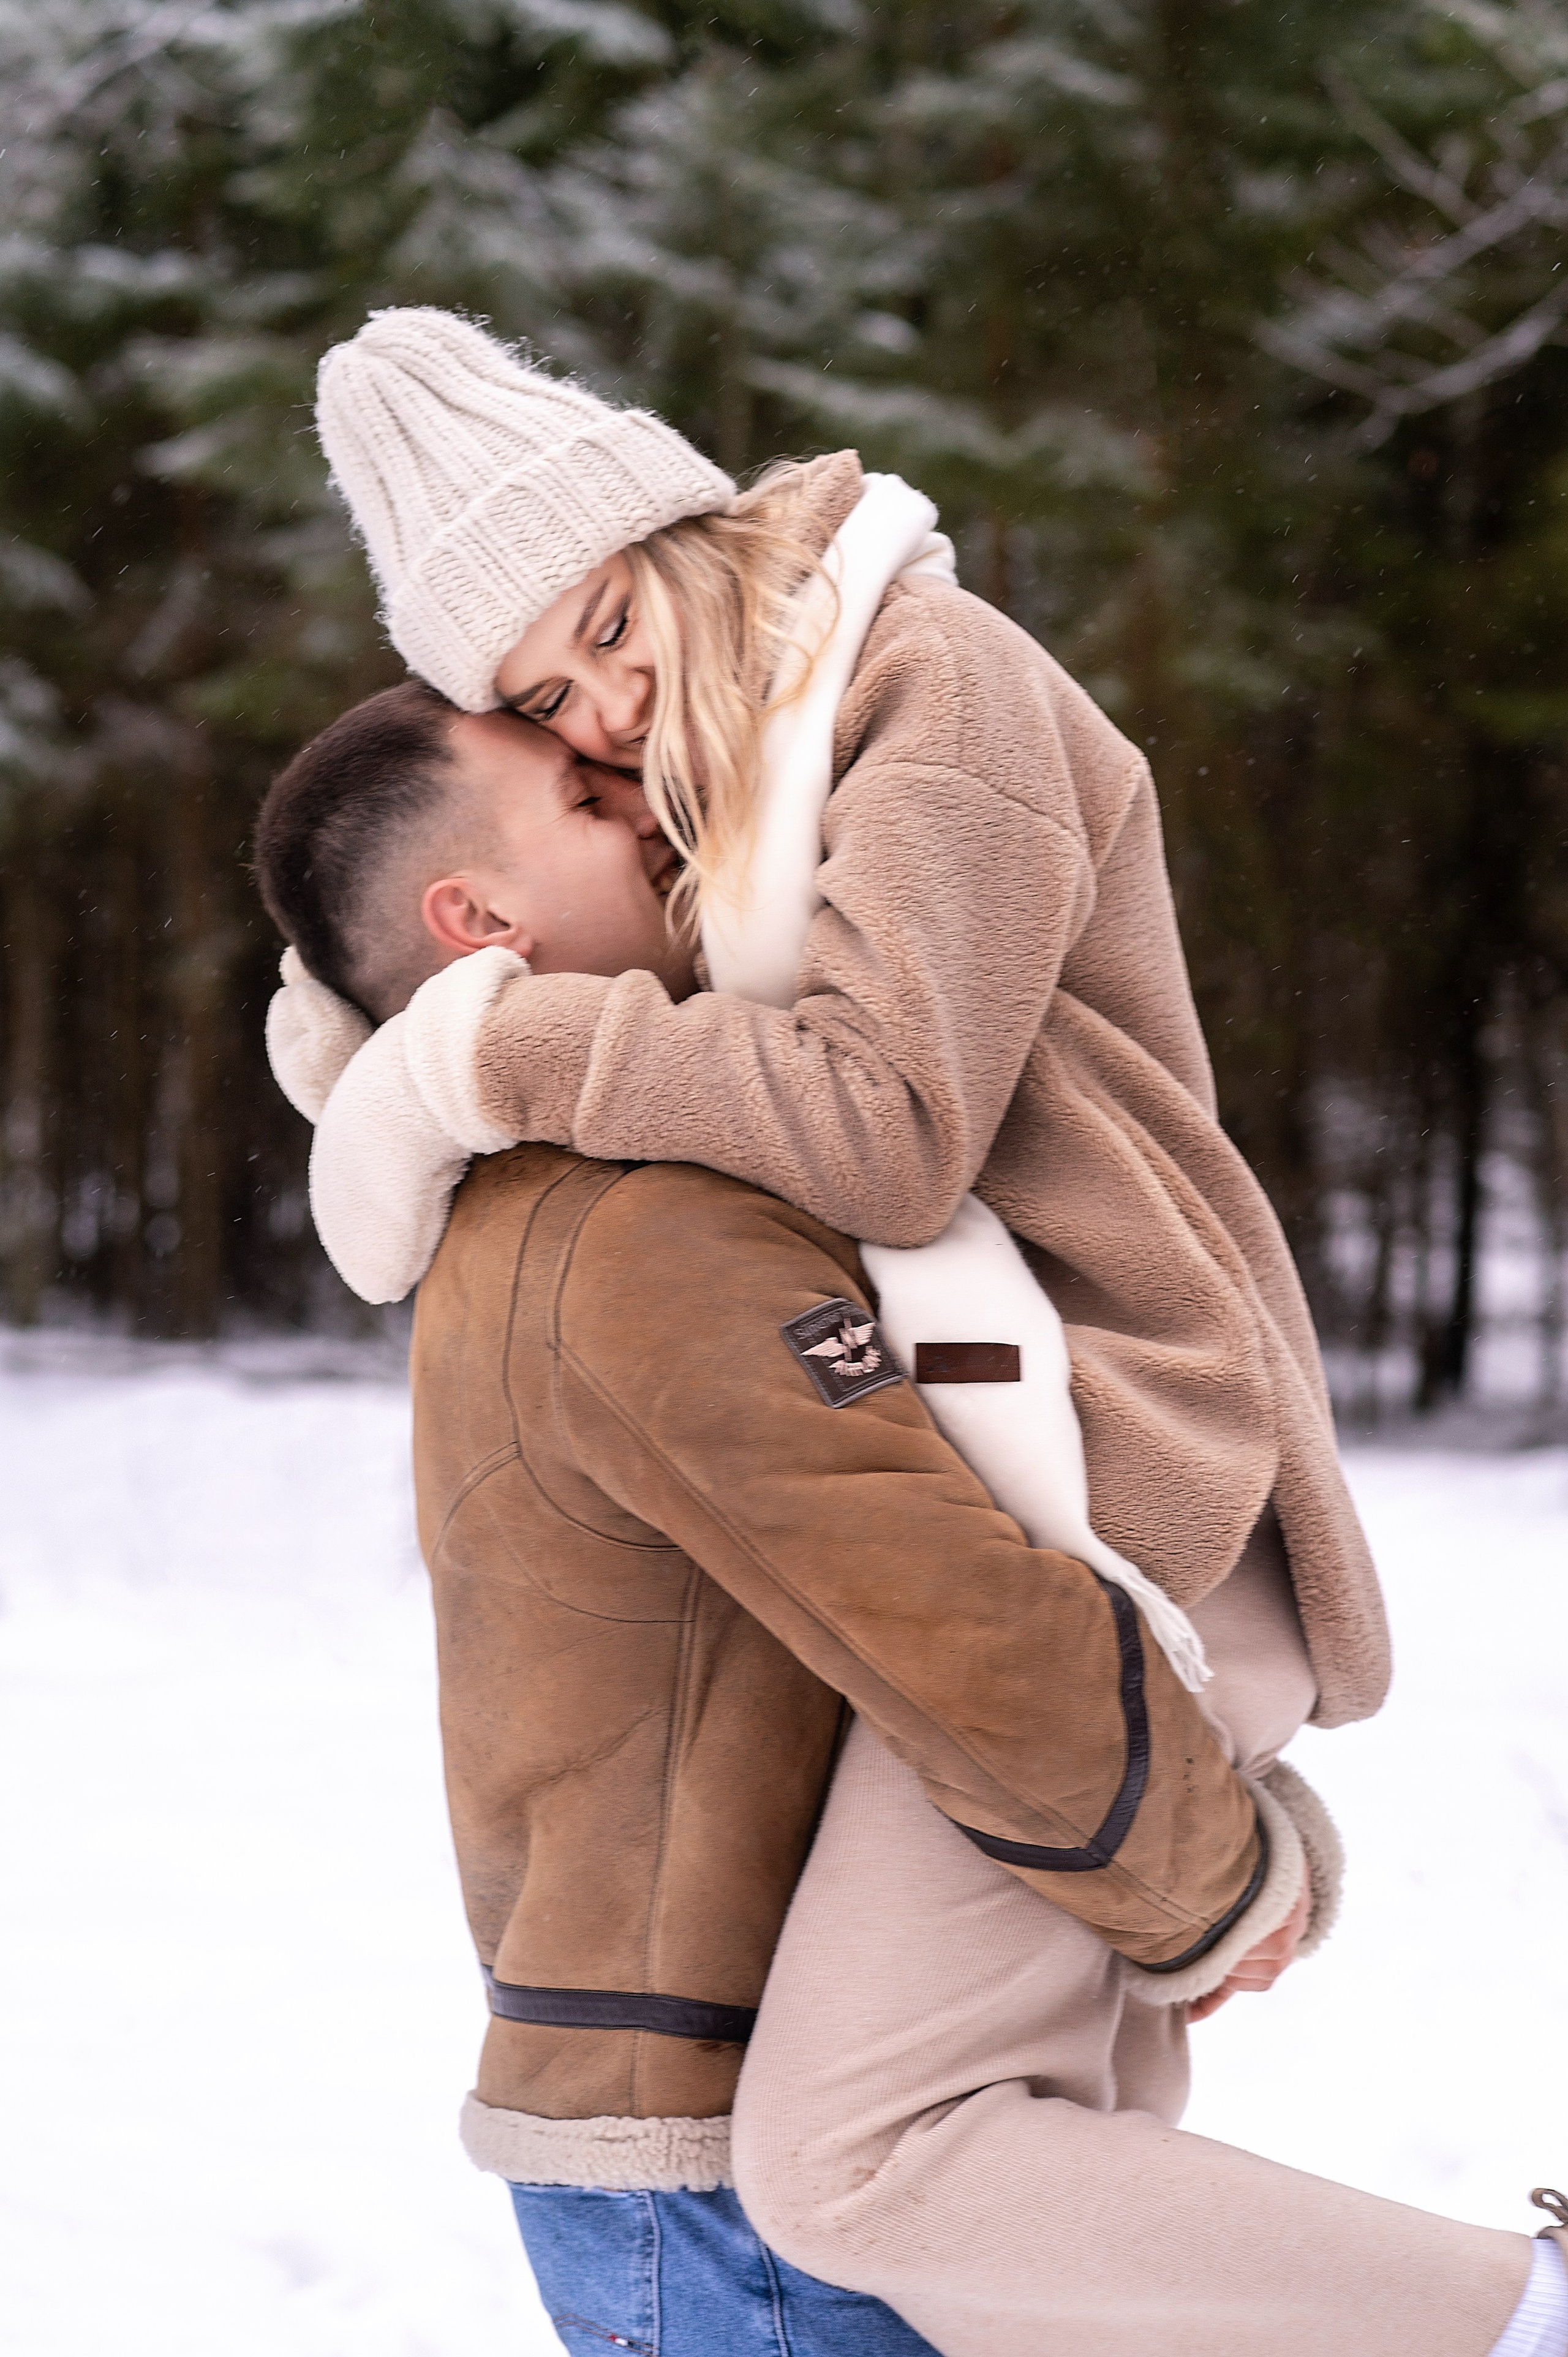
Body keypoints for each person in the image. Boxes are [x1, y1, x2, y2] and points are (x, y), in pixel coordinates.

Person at [263, 309, 1567, 2355]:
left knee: (863, 2155)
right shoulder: (731, 788)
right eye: (540, 699)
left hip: (1138, 1463)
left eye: (608, 625)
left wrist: (485, 1047)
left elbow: (879, 1125)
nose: (603, 708)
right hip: (1010, 1487)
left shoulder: (926, 683)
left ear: (678, 528)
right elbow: (509, 914)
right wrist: (373, 1023)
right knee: (1047, 2200)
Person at [254, 687, 1300, 2357]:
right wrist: (1215, 1879)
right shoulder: (635, 1228)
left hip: (696, 2137)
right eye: (591, 798)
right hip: (738, 2181)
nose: (656, 804)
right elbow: (942, 1611)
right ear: (479, 919)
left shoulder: (546, 1197)